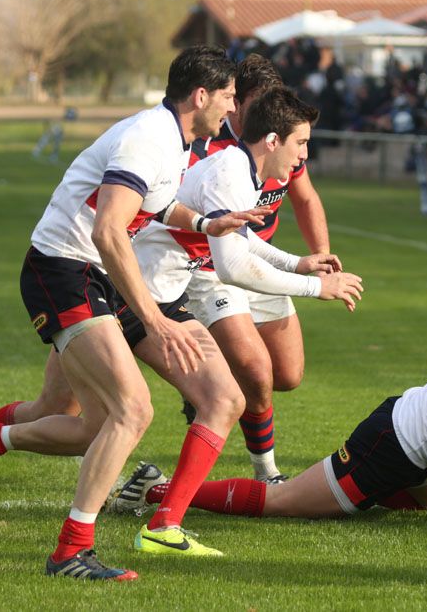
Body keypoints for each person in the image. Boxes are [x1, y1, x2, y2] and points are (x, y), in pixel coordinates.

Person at [0, 45, 279, 580]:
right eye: (227, 96)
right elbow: (109, 230)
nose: (232, 107)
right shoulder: (149, 138)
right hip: (64, 271)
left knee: (93, 426)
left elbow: (156, 207)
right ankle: (70, 552)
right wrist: (154, 320)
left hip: (101, 276)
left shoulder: (176, 141)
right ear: (200, 95)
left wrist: (208, 224)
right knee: (132, 411)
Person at [108, 341, 427, 520]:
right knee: (283, 503)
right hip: (391, 444)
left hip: (419, 441)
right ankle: (155, 490)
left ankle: (365, 494)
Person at [147, 83, 363, 484]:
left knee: (281, 376)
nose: (304, 155)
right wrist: (318, 289)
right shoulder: (228, 167)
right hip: (149, 289)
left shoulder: (245, 168)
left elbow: (242, 240)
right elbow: (230, 267)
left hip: (166, 284)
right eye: (301, 143)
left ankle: (154, 495)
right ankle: (255, 478)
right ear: (272, 138)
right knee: (131, 410)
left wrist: (300, 264)